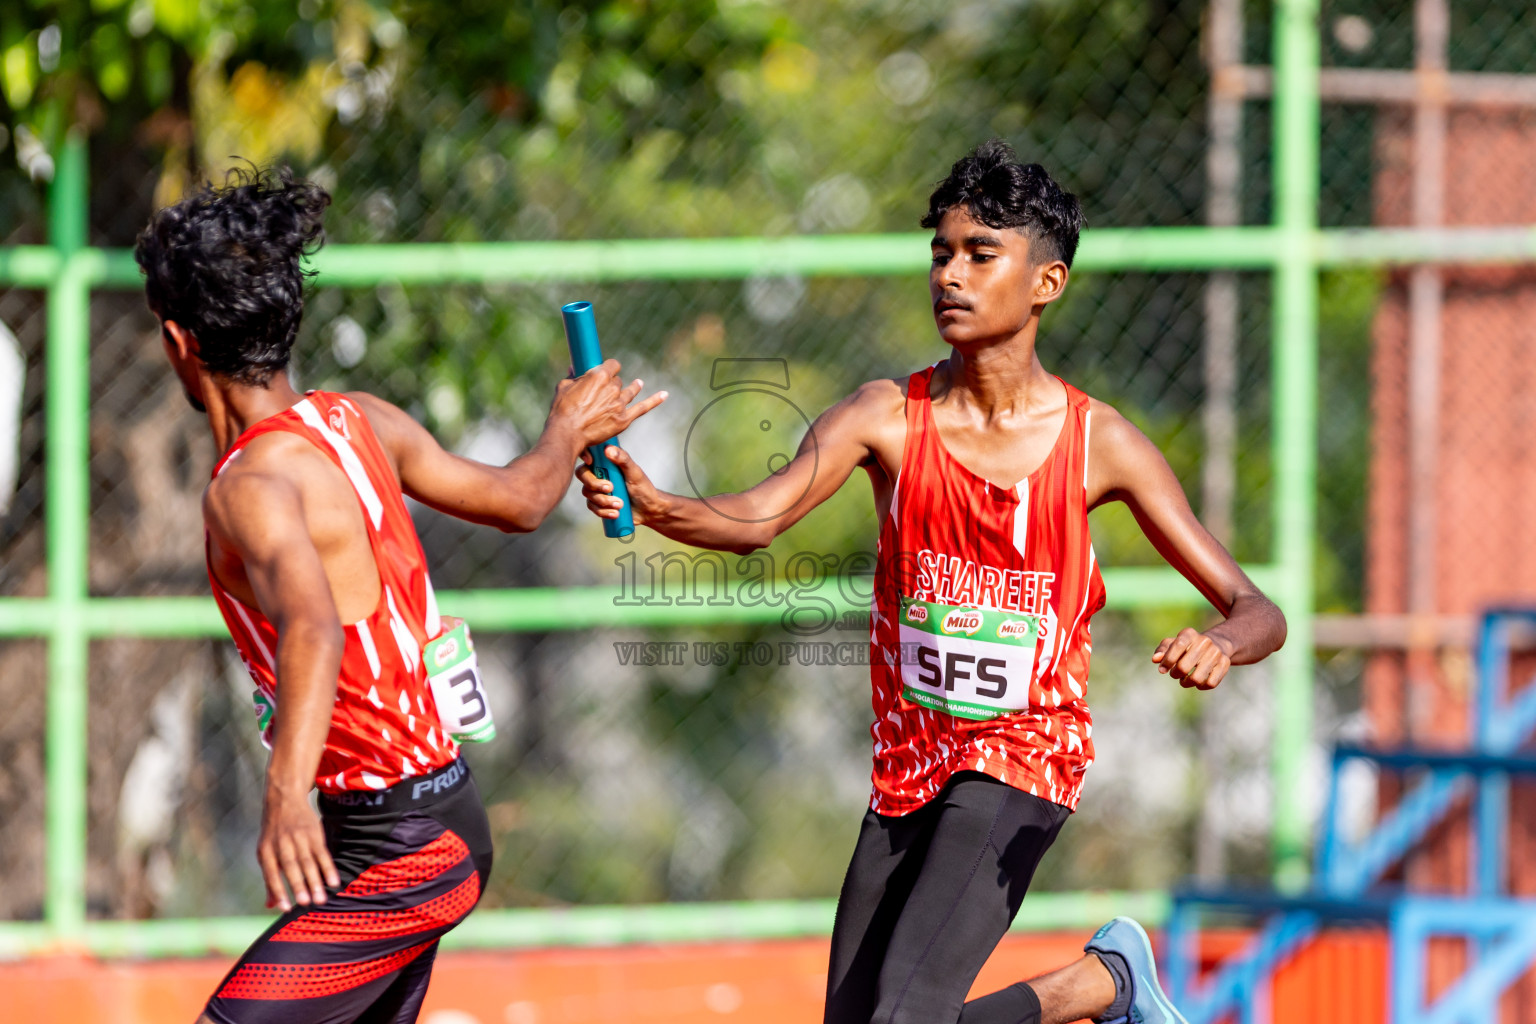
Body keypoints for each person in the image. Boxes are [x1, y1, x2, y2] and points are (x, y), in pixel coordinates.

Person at [578, 140, 1286, 1024]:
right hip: (910, 766)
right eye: (940, 253)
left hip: (1023, 758)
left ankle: (1092, 987)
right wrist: (653, 502)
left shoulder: (1099, 444)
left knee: (903, 1020)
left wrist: (1220, 643)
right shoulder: (887, 417)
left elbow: (1259, 609)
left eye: (980, 255)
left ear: (1046, 284)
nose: (950, 275)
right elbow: (759, 520)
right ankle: (1101, 984)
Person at [135, 167, 664, 1024]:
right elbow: (523, 500)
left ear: (177, 342)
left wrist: (282, 795)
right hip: (425, 824)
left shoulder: (248, 487)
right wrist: (565, 430)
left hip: (404, 849)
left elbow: (312, 626)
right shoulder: (360, 421)